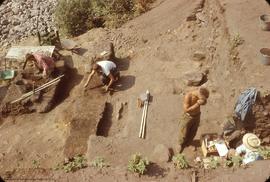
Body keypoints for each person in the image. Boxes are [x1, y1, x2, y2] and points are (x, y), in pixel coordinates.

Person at [178, 87, 209, 153]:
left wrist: (203, 102)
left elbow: (204, 102)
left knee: (193, 131)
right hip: (188, 117)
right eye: (203, 98)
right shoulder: (188, 96)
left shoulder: (200, 96)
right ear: (200, 94)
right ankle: (180, 144)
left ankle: (188, 143)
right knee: (183, 132)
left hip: (197, 116)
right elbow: (186, 110)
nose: (203, 100)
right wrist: (197, 104)